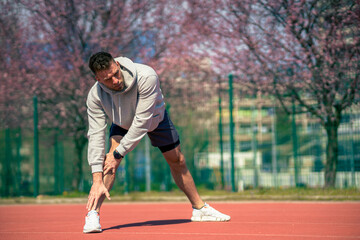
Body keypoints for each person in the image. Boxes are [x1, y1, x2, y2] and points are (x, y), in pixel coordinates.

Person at [83, 52, 230, 233]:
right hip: (122, 122)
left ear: (118, 65)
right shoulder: (95, 96)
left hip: (154, 119)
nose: (114, 81)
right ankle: (92, 215)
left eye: (115, 73)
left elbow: (141, 124)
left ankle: (199, 209)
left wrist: (117, 153)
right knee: (109, 166)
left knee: (178, 160)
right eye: (107, 79)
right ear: (97, 79)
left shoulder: (146, 76)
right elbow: (96, 135)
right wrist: (97, 177)